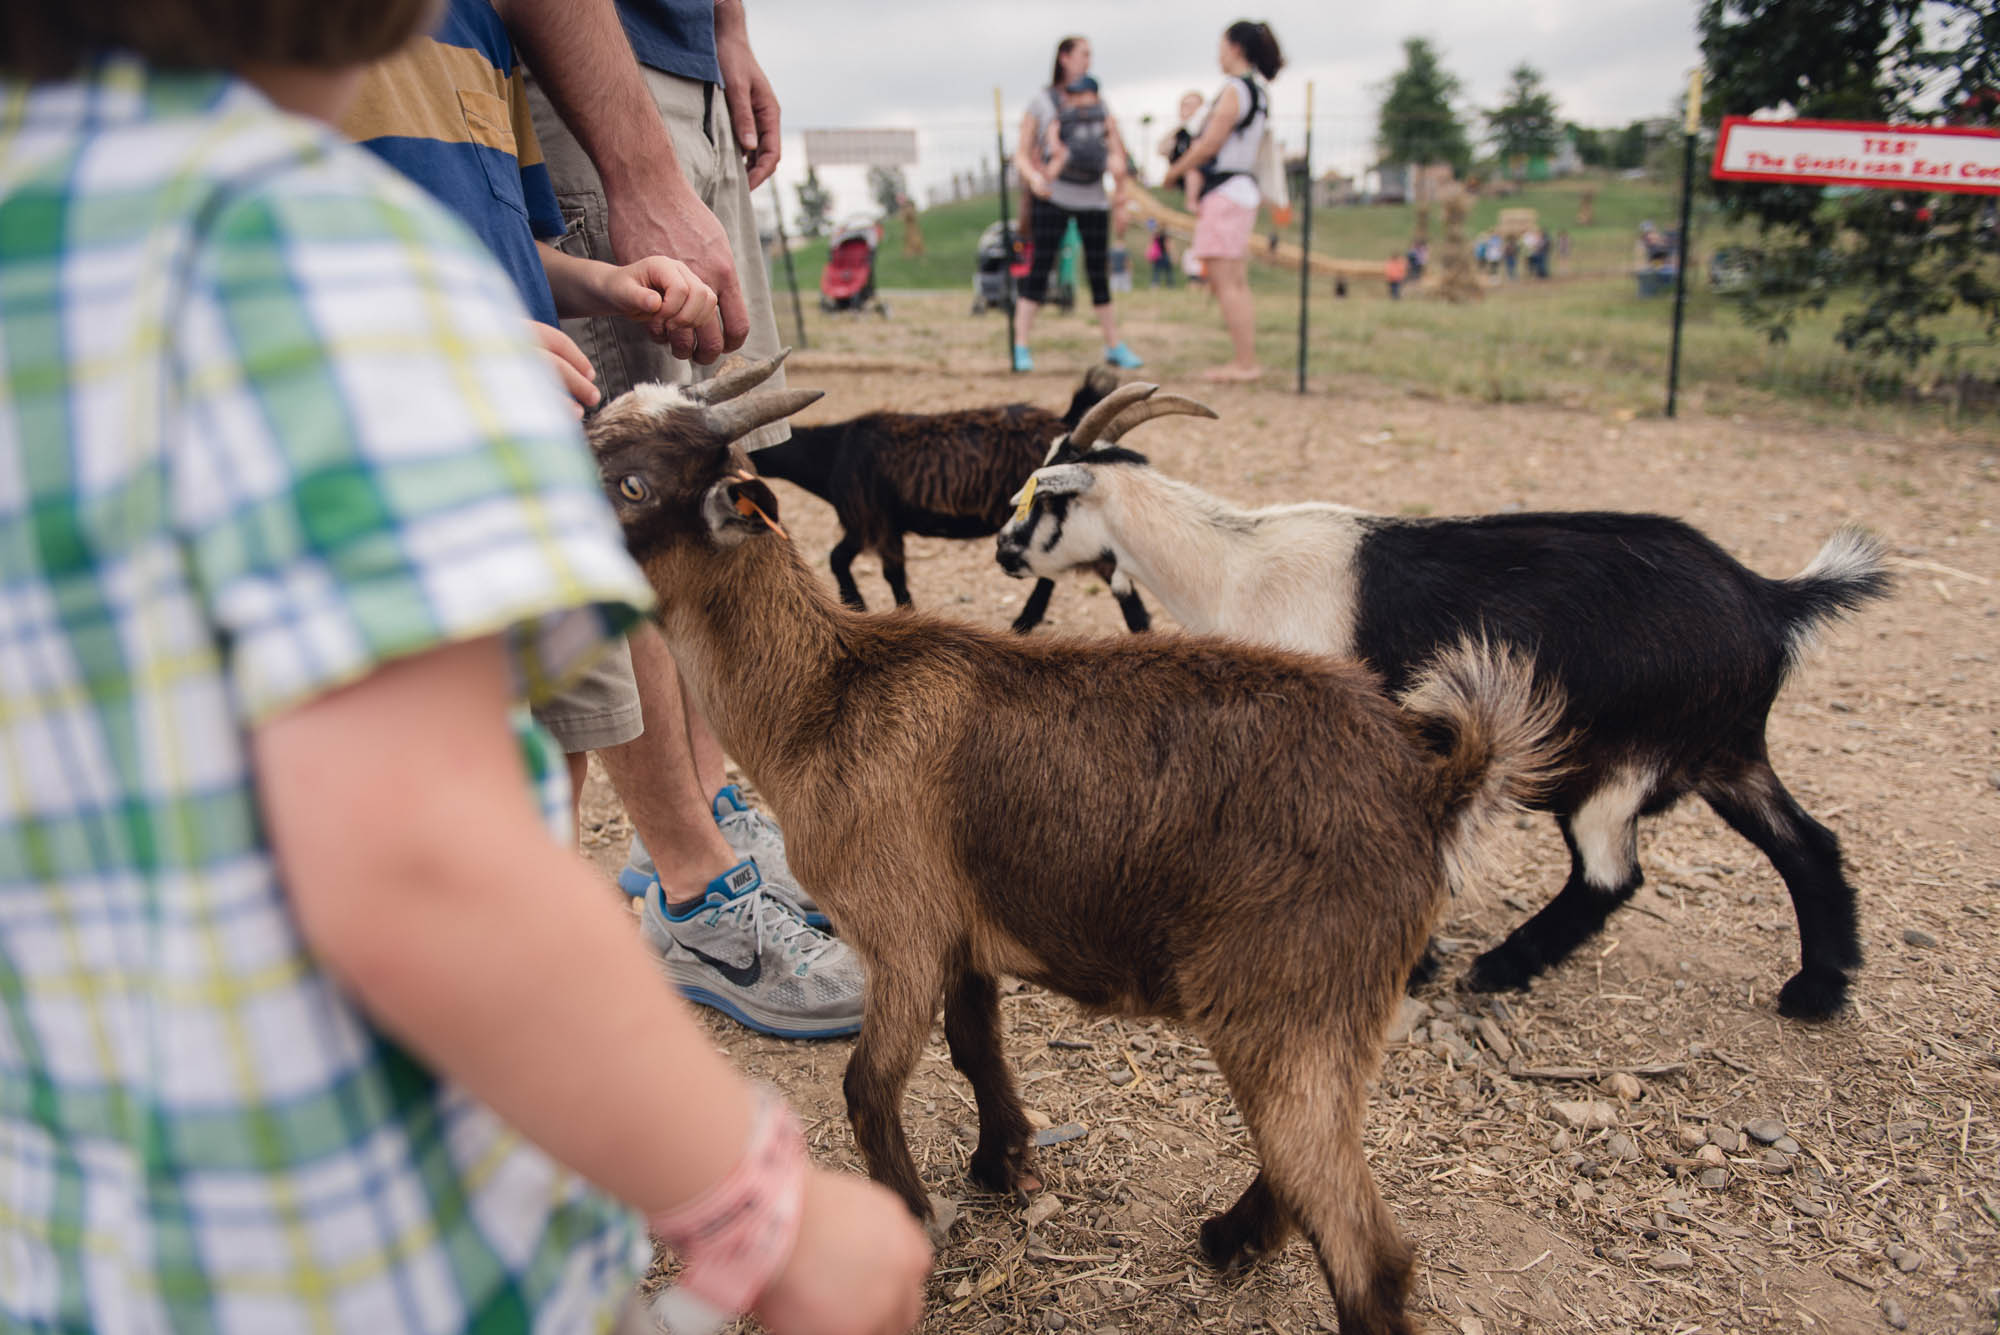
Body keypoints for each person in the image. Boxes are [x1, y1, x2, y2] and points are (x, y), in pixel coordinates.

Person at [0, 4, 934, 1333]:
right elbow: (416, 856)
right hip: (352, 1248)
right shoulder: (335, 262)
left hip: (69, 1230)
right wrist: (753, 1201)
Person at [347, 0, 867, 1043]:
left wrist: (604, 283)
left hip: (533, 461)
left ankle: (539, 965)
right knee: (465, 735)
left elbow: (516, 240)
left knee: (572, 713)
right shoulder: (320, 59)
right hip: (418, 469)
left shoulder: (482, 34)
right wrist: (458, 339)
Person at [1162, 19, 1285, 382]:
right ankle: (1244, 359)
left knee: (1227, 281)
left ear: (1234, 47)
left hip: (1226, 192)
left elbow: (1210, 144)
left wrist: (1174, 172)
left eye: (1220, 45)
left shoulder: (1234, 90)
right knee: (1235, 280)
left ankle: (1244, 363)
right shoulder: (1258, 91)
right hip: (1240, 192)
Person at [1011, 38, 1145, 372]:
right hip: (1053, 197)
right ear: (1065, 57)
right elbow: (1022, 152)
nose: (1089, 60)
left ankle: (1114, 344)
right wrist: (1035, 178)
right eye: (1084, 54)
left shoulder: (1100, 104)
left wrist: (1120, 185)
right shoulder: (1042, 102)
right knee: (1040, 267)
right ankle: (1021, 345)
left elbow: (1117, 148)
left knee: (1097, 272)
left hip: (1093, 199)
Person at [1156, 89, 1205, 212]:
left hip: (1198, 178)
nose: (1186, 109)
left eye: (1192, 105)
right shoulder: (1180, 132)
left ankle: (1191, 203)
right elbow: (1161, 149)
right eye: (1184, 105)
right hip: (1177, 179)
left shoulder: (1203, 130)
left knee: (1192, 170)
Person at [1147, 219, 1176, 287]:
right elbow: (1168, 245)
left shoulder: (1156, 234)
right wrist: (1173, 254)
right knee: (1168, 270)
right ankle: (1170, 284)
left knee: (1156, 270)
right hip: (1164, 254)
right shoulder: (1166, 234)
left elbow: (1151, 243)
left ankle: (1155, 284)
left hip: (1157, 255)